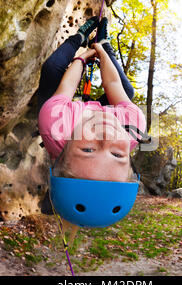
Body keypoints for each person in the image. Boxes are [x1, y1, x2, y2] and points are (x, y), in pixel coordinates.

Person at [37, 17, 147, 242]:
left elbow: (67, 86)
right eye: (117, 155)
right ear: (129, 156)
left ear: (65, 153)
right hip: (101, 113)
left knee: (51, 68)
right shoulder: (131, 127)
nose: (106, 138)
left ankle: (78, 36)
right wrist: (102, 53)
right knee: (127, 90)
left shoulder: (56, 126)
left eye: (88, 150)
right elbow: (113, 85)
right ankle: (105, 42)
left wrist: (83, 57)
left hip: (67, 111)